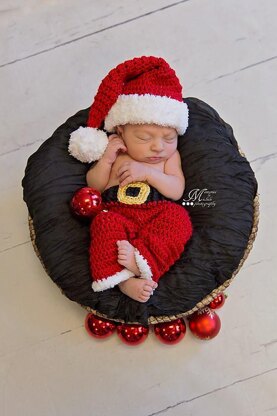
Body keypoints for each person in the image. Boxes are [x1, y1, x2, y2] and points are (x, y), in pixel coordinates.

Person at [68, 56, 193, 303]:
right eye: (145, 138)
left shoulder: (169, 158)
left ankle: (142, 260)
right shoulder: (115, 151)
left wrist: (149, 173)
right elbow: (95, 186)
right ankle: (125, 282)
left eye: (168, 138)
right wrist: (105, 161)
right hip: (118, 212)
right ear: (121, 130)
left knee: (180, 219)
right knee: (103, 223)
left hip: (156, 212)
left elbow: (177, 190)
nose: (158, 146)